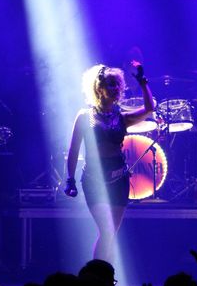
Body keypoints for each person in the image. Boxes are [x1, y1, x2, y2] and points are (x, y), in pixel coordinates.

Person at [64, 61, 155, 262]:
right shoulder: (85, 116)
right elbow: (73, 150)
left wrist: (142, 82)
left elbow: (150, 107)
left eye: (117, 85)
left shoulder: (122, 118)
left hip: (118, 180)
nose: (115, 88)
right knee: (106, 231)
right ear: (99, 88)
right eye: (110, 84)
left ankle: (105, 283)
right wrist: (70, 179)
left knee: (111, 234)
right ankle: (94, 281)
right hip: (94, 181)